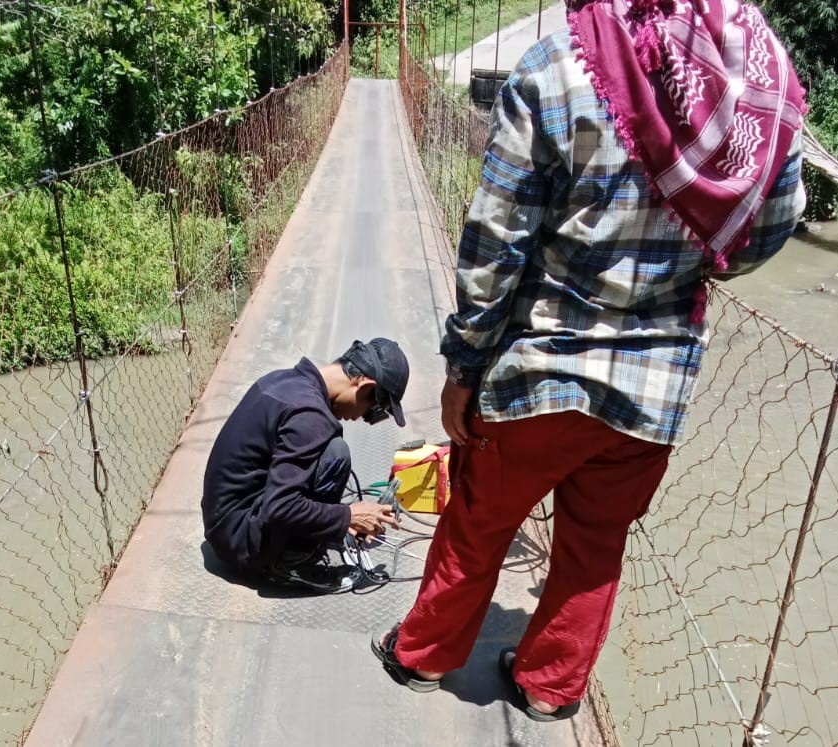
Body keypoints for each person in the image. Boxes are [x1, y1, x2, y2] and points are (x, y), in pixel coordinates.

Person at [372, 0, 806, 720]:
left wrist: (463, 364)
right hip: (650, 389)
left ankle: (422, 655)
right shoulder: (753, 82)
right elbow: (769, 225)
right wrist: (695, 263)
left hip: (538, 371)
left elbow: (494, 240)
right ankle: (548, 687)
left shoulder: (557, 69)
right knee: (594, 543)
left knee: (478, 518)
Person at [202, 338, 408, 594]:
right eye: (374, 410)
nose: (364, 419)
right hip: (242, 544)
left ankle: (290, 545)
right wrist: (348, 516)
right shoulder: (309, 416)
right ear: (364, 385)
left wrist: (339, 519)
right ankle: (288, 562)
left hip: (223, 525)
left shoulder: (286, 381)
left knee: (332, 454)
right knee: (336, 455)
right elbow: (280, 507)